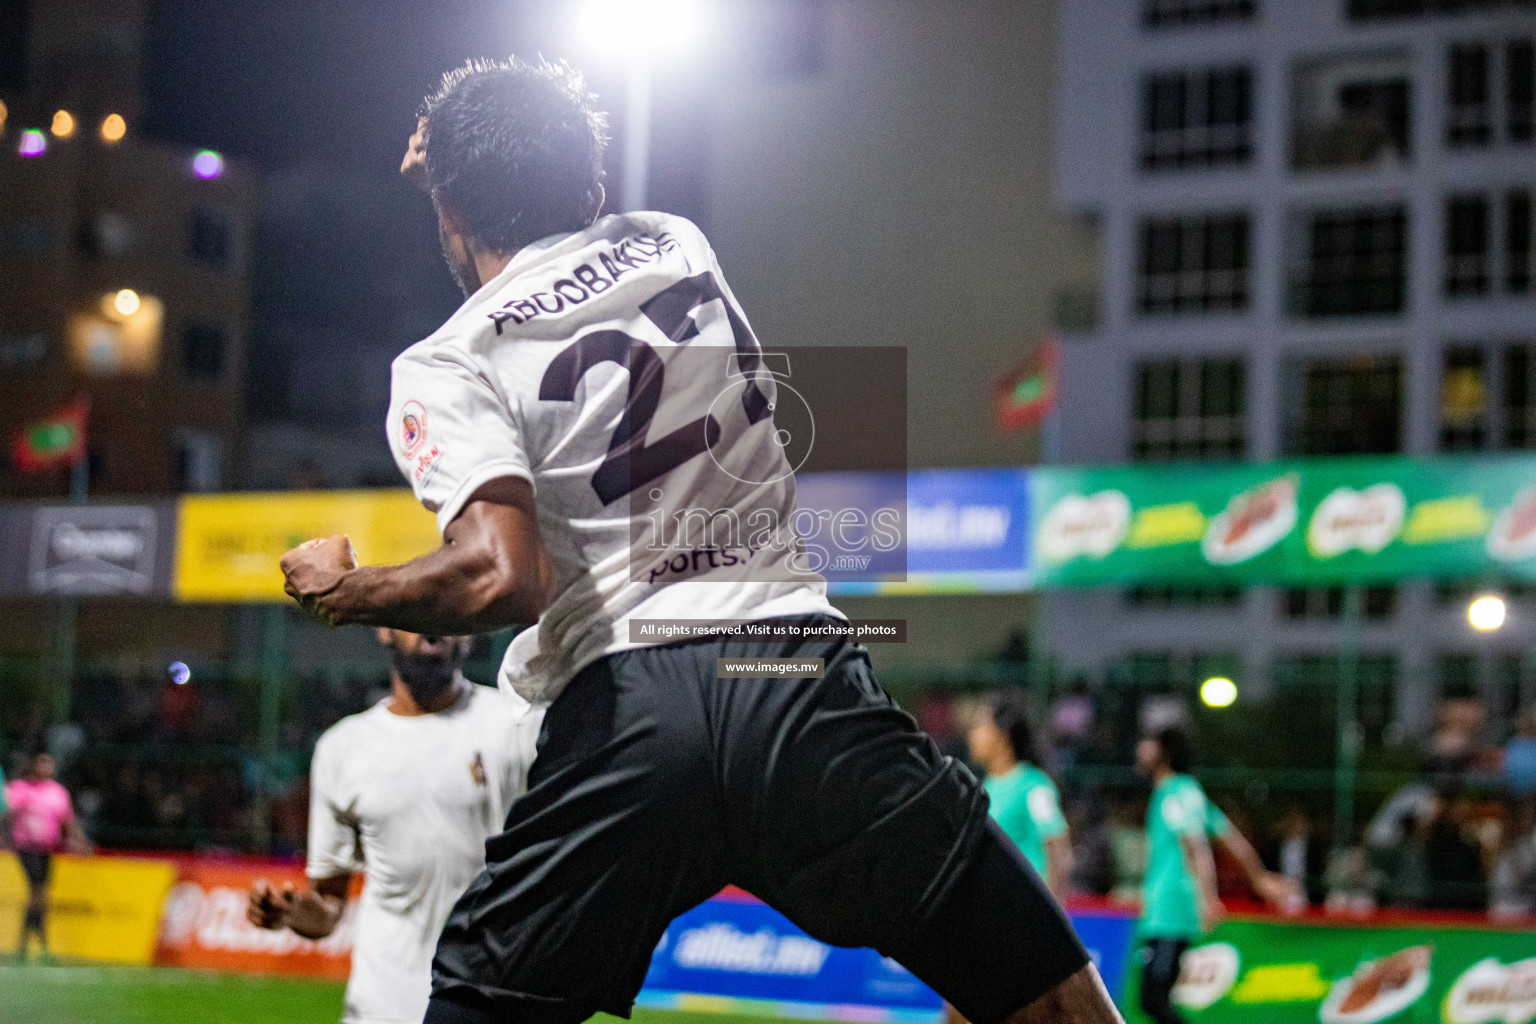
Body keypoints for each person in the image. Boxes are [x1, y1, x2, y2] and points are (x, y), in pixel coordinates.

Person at [277, 57, 1121, 1024]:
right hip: (795, 684)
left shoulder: (445, 362)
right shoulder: (673, 245)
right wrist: (464, 175)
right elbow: (549, 209)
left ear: (453, 214)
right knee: (1044, 991)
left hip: (633, 716)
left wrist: (346, 590)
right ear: (589, 187)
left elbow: (502, 577)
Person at [248, 630, 538, 1024]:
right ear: (384, 629)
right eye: (414, 613)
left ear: (469, 632)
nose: (431, 628)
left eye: (446, 612)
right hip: (380, 1006)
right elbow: (329, 906)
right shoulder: (343, 747)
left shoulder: (515, 724)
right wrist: (292, 913)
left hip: (485, 1002)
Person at [1133, 727, 1294, 1024]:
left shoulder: (1174, 793)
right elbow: (1230, 838)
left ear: (1163, 752)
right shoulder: (1189, 791)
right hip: (1168, 909)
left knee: (1153, 1000)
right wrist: (1258, 878)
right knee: (1156, 999)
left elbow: (1195, 845)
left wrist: (1207, 897)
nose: (1140, 748)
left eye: (1148, 742)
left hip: (1171, 909)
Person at [966, 691, 1072, 896]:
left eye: (979, 726)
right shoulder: (982, 788)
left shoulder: (1033, 786)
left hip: (1025, 912)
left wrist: (1051, 911)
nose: (972, 735)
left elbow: (1059, 847)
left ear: (1002, 734)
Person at [4, 752, 90, 960]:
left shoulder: (57, 792)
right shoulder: (21, 789)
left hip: (46, 850)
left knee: (40, 896)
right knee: (37, 893)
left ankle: (26, 944)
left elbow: (67, 819)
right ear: (34, 765)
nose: (47, 767)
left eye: (50, 763)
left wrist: (79, 840)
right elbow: (7, 815)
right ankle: (36, 944)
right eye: (42, 762)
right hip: (26, 848)